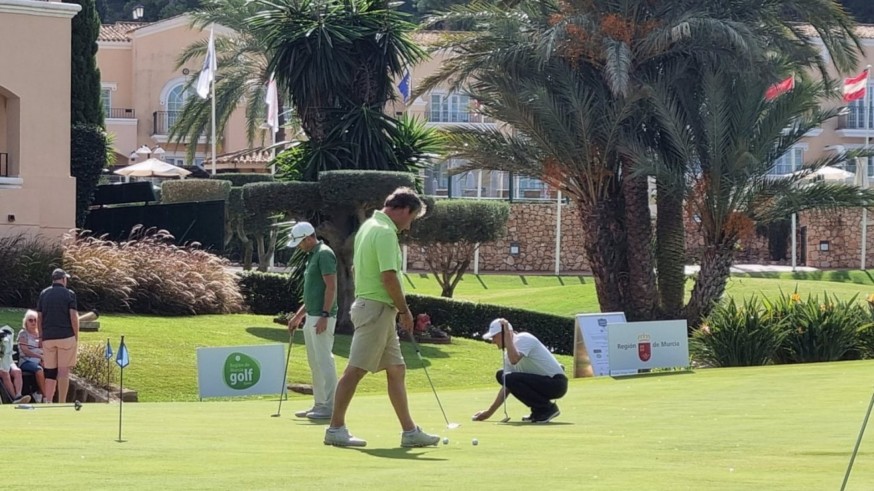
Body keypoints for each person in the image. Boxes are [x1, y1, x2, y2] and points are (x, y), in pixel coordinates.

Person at [325, 187, 440, 448]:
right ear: (404, 210)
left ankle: (410, 432)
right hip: (376, 308)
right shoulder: (385, 232)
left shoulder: (368, 226)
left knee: (397, 369)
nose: (409, 227)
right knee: (355, 370)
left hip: (376, 308)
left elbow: (358, 267)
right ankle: (335, 428)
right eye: (411, 219)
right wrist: (405, 310)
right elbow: (388, 276)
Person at [286, 221, 338, 421]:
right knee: (314, 362)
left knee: (325, 360)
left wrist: (325, 315)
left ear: (309, 238)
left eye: (300, 242)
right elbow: (312, 294)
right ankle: (319, 403)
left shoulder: (324, 253)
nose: (299, 246)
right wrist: (299, 315)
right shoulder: (311, 256)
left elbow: (331, 287)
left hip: (322, 317)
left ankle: (330, 406)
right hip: (312, 315)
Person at [472, 318, 568, 424]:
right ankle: (539, 411)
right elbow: (507, 385)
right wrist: (489, 412)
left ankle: (547, 409)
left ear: (505, 334)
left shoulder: (523, 338)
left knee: (507, 376)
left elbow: (514, 359)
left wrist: (508, 335)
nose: (493, 341)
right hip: (542, 384)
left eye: (495, 336)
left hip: (556, 384)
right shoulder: (507, 355)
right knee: (502, 375)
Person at [36, 268, 79, 404]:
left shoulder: (44, 293)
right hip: (66, 336)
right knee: (63, 371)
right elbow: (73, 316)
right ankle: (61, 402)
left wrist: (41, 336)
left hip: (48, 337)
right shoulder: (69, 294)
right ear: (63, 279)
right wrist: (76, 335)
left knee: (50, 371)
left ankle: (48, 400)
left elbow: (39, 317)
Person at [17, 310, 47, 403]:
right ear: (26, 322)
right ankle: (46, 397)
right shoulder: (23, 333)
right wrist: (40, 357)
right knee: (39, 370)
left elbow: (43, 349)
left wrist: (42, 358)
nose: (33, 322)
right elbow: (25, 351)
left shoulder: (40, 334)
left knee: (52, 370)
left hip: (39, 359)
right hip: (26, 361)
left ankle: (38, 393)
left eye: (35, 320)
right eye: (30, 320)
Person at [0, 326, 31, 404]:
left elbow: (7, 356)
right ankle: (15, 399)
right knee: (5, 374)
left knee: (17, 371)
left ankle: (18, 395)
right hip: (2, 365)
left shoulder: (5, 340)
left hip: (7, 361)